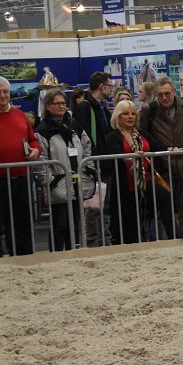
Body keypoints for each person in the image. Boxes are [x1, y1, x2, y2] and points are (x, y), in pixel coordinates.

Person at [139, 76, 183, 238]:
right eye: (160, 95)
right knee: (163, 210)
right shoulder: (149, 109)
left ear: (174, 92)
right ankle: (166, 243)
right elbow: (143, 134)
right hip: (162, 167)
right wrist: (161, 149)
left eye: (167, 94)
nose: (164, 98)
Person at [36, 89, 94, 251]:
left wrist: (88, 167)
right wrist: (50, 180)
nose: (62, 106)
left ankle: (73, 253)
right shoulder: (43, 130)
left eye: (63, 103)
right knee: (59, 225)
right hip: (58, 186)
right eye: (57, 103)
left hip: (77, 182)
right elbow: (40, 159)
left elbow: (87, 144)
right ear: (48, 106)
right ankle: (56, 255)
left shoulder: (73, 124)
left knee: (75, 224)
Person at [103, 100, 157, 245]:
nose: (130, 117)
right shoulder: (112, 136)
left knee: (145, 218)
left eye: (133, 113)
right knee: (126, 223)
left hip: (145, 184)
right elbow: (115, 151)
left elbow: (158, 145)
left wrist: (173, 149)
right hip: (124, 186)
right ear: (118, 116)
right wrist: (129, 157)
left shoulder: (142, 133)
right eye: (125, 114)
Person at [0, 76, 42, 255]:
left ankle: (24, 257)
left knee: (23, 221)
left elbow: (33, 140)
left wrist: (35, 151)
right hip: (0, 181)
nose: (3, 95)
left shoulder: (19, 115)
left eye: (5, 92)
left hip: (22, 178)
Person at [73, 70, 115, 246]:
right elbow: (85, 139)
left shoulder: (102, 107)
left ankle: (104, 242)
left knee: (104, 209)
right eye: (110, 86)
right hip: (94, 168)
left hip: (105, 166)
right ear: (102, 86)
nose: (112, 90)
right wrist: (91, 165)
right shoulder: (84, 108)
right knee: (93, 209)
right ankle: (92, 245)